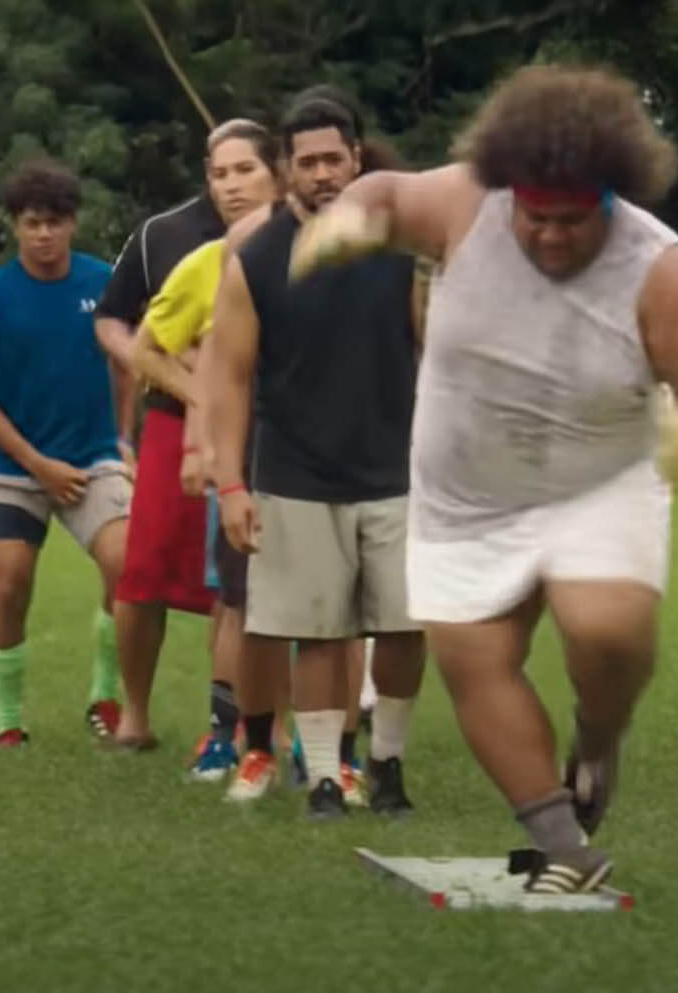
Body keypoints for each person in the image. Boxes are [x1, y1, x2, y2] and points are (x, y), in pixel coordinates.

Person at [290, 63, 678, 892]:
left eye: (572, 220)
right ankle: (564, 843)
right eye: (534, 216)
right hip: (467, 490)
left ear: (610, 198)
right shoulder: (466, 203)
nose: (549, 236)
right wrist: (349, 220)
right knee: (473, 657)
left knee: (607, 631)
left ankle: (597, 740)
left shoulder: (658, 267)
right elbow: (386, 194)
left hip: (600, 480)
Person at [203, 90, 429, 819]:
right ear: (286, 169)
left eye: (335, 158)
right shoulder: (257, 259)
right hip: (296, 474)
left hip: (396, 471)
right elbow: (228, 378)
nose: (324, 173)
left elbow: (436, 350)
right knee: (318, 634)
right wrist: (230, 484)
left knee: (403, 629)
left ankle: (386, 764)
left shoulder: (401, 247)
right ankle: (326, 778)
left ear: (357, 159)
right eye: (308, 162)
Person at [121, 118, 286, 777]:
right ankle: (227, 735)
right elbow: (145, 350)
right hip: (242, 454)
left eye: (245, 170)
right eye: (219, 175)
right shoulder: (207, 262)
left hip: (317, 452)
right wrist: (209, 400)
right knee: (237, 596)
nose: (231, 186)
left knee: (317, 603)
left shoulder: (320, 248)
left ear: (278, 172)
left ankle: (318, 746)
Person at [0, 158, 131, 749]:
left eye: (55, 222)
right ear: (15, 226)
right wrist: (38, 466)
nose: (44, 234)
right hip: (16, 468)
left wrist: (124, 440)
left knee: (126, 568)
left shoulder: (105, 283)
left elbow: (126, 366)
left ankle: (104, 697)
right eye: (32, 223)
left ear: (73, 223)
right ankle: (9, 720)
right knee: (9, 585)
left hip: (93, 459)